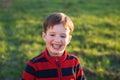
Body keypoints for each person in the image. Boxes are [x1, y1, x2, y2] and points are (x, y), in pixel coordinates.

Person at [22, 12, 86, 80]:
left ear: (69, 39)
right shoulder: (34, 65)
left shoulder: (74, 62)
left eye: (63, 36)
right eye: (52, 35)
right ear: (44, 36)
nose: (57, 40)